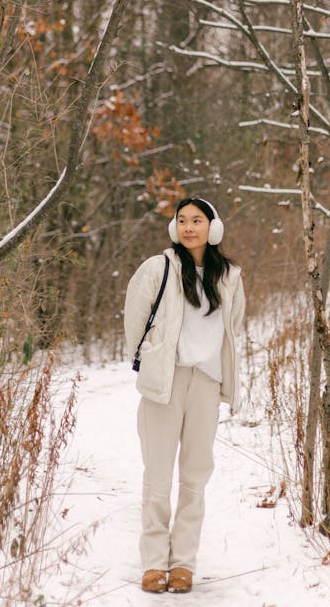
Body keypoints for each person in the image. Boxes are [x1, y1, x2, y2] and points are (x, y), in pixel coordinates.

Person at [124, 197, 245, 594]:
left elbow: (234, 326)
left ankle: (183, 564)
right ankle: (154, 563)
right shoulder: (158, 268)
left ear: (214, 227)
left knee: (195, 477)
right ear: (175, 227)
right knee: (157, 476)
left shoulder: (229, 275)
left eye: (198, 220)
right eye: (183, 220)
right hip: (166, 383)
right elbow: (135, 319)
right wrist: (153, 360)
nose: (190, 227)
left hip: (206, 383)